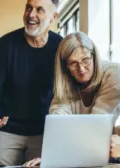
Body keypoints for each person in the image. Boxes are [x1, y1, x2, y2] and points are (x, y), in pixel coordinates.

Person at [0, 0, 63, 166]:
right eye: (28, 8)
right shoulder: (2, 47)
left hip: (44, 132)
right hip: (7, 133)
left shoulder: (62, 48)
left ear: (53, 18)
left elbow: (70, 93)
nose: (31, 14)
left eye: (39, 10)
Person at [23, 31, 120, 167]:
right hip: (89, 151)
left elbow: (97, 124)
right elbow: (59, 123)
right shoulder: (65, 84)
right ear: (65, 67)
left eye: (85, 60)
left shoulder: (114, 74)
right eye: (73, 63)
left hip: (111, 149)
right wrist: (50, 158)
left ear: (94, 56)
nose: (81, 69)